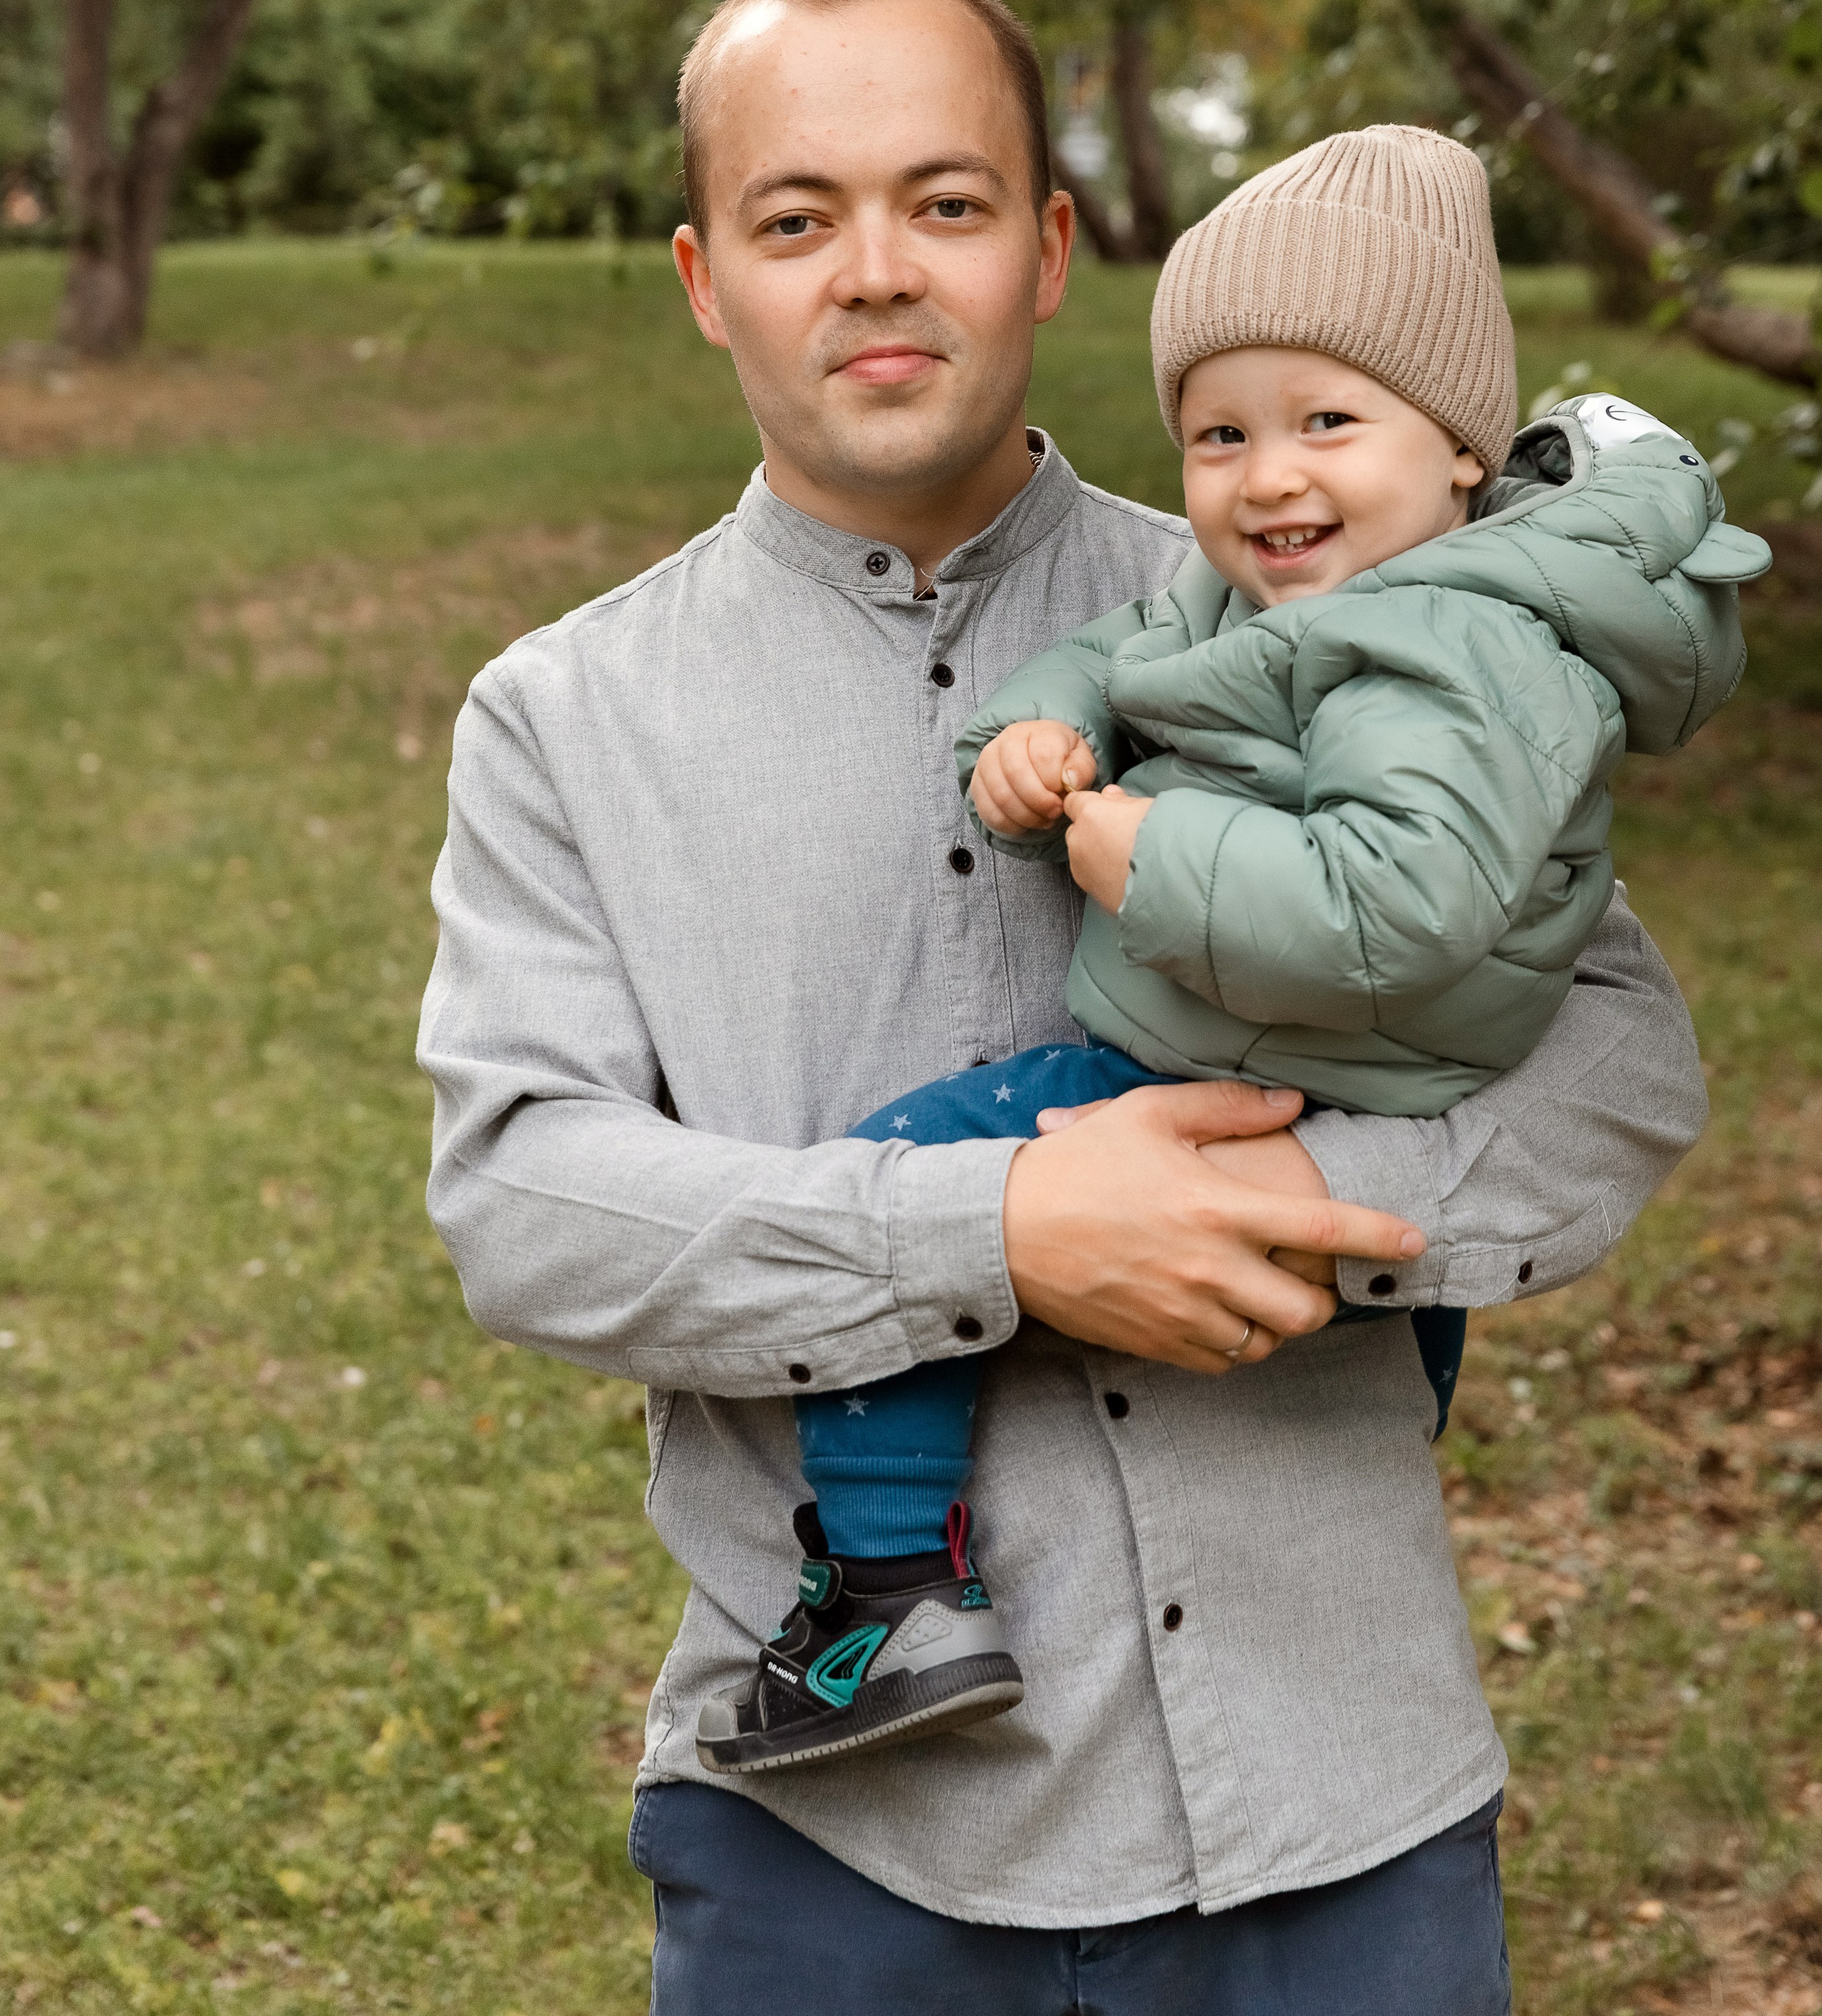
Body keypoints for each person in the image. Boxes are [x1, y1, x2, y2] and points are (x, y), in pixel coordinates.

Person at [420, 0, 1711, 2015]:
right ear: (702, 278)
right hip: (836, 1849)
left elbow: (1616, 1064)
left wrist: (1288, 1211)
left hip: (1331, 1799)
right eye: (794, 220)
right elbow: (524, 1202)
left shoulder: (1313, 592)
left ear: (1045, 248)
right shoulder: (565, 718)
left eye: (941, 203)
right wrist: (1000, 1231)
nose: (874, 272)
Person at [697, 125, 1766, 1779]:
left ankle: (886, 1588)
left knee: (918, 1170)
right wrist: (1042, 729)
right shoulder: (1268, 592)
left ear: (1459, 453)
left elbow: (1402, 908)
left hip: (1297, 1073)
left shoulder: (1461, 656)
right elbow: (1126, 646)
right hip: (1281, 1062)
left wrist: (1146, 856)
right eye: (1219, 433)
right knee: (1328, 1373)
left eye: (1324, 423)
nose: (1266, 478)